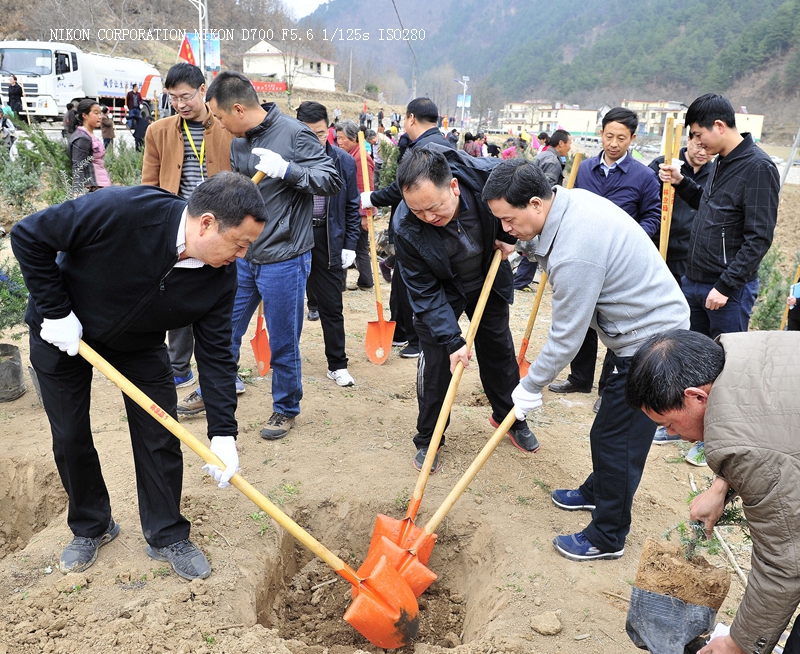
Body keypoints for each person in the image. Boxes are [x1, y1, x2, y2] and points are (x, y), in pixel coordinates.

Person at [10, 172, 266, 580]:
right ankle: (91, 526)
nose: (242, 255)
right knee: (70, 434)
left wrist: (223, 433)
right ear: (206, 224)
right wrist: (56, 312)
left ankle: (167, 534)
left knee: (159, 433)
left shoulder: (219, 277)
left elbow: (216, 355)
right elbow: (29, 235)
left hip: (139, 344)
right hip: (63, 333)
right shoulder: (125, 211)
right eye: (239, 244)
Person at [482, 159, 689, 562]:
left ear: (536, 204)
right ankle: (598, 491)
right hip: (635, 331)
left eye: (509, 220)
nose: (505, 228)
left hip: (654, 343)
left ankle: (608, 535)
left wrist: (530, 386)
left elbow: (567, 337)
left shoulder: (576, 251)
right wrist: (519, 244)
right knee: (610, 431)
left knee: (617, 440)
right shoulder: (566, 206)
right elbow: (540, 242)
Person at [626, 329, 800, 654]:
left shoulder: (749, 453)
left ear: (697, 397)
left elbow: (784, 562)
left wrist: (739, 643)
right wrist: (722, 485)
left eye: (669, 423)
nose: (671, 434)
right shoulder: (742, 349)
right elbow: (769, 424)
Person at [191, 70, 342, 440]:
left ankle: (286, 407)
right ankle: (213, 389)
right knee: (223, 328)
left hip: (285, 256)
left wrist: (287, 170)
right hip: (243, 256)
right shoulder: (238, 143)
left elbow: (331, 180)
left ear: (238, 109)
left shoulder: (294, 134)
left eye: (220, 117)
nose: (219, 125)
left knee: (283, 339)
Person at [393, 146, 540, 474]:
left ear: (454, 187)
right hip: (441, 289)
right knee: (437, 365)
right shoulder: (405, 226)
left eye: (434, 207)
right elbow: (423, 291)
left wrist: (506, 235)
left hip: (487, 276)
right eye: (418, 211)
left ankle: (509, 417)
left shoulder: (487, 180)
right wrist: (452, 340)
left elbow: (525, 196)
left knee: (499, 351)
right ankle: (429, 437)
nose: (428, 217)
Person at [659, 93, 779, 466]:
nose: (696, 144)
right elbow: (710, 208)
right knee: (696, 362)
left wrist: (725, 287)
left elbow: (759, 238)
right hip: (695, 280)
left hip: (726, 290)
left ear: (719, 126)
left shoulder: (758, 168)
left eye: (698, 135)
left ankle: (720, 438)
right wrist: (681, 182)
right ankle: (692, 427)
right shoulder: (722, 162)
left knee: (726, 367)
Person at [548, 108, 661, 415]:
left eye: (621, 138)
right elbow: (568, 208)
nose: (613, 143)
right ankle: (579, 378)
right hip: (584, 259)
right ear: (601, 134)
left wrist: (632, 240)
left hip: (620, 267)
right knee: (582, 319)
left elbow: (653, 217)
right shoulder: (583, 169)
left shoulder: (644, 177)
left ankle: (607, 388)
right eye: (609, 136)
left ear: (632, 139)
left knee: (616, 325)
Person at [143, 62, 234, 391]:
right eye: (173, 97)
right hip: (178, 228)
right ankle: (179, 367)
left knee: (220, 299)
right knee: (176, 296)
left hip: (221, 228)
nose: (179, 104)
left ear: (202, 90)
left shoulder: (227, 128)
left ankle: (223, 368)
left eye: (185, 96)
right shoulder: (158, 131)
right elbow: (149, 184)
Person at [361, 97, 455, 359]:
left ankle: (415, 339)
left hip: (420, 231)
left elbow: (402, 190)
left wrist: (373, 198)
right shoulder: (438, 143)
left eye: (405, 119)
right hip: (414, 231)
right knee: (401, 282)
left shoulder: (427, 149)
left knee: (412, 285)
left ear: (411, 118)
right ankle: (401, 331)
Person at [296, 101, 361, 387]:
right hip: (295, 237)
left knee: (332, 305)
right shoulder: (288, 159)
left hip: (327, 237)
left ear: (329, 130)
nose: (316, 139)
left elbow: (352, 205)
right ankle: (284, 360)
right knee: (288, 305)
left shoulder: (343, 161)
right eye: (308, 134)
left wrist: (350, 243)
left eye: (321, 133)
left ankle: (337, 364)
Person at [648, 138, 710, 284]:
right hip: (655, 249)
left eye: (708, 148)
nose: (702, 153)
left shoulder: (715, 174)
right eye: (698, 146)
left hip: (687, 255)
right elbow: (644, 199)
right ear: (689, 140)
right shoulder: (664, 164)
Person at [335, 119, 374, 292]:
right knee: (356, 246)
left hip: (357, 212)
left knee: (356, 246)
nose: (339, 142)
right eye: (337, 138)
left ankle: (362, 282)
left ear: (353, 138)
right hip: (352, 210)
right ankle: (362, 281)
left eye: (342, 138)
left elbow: (366, 188)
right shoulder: (350, 155)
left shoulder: (361, 158)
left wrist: (365, 215)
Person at [68, 99, 111, 195]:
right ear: (85, 115)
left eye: (100, 113)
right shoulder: (82, 138)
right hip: (94, 188)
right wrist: (77, 194)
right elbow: (78, 166)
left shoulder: (89, 134)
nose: (100, 117)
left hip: (102, 185)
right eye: (96, 113)